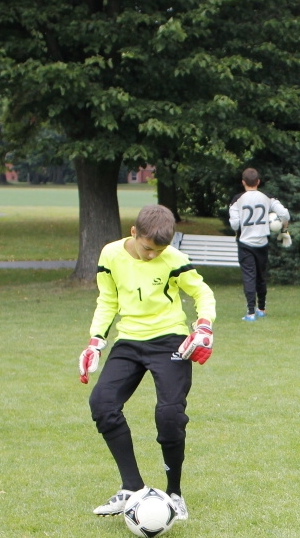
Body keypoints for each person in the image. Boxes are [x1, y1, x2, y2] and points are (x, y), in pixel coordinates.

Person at [78, 204, 217, 521]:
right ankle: (131, 488)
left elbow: (202, 293)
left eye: (160, 250)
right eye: (147, 248)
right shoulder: (110, 255)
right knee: (102, 404)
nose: (153, 256)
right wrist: (96, 342)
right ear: (133, 233)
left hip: (170, 340)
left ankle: (175, 495)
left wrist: (204, 325)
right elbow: (108, 299)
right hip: (128, 340)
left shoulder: (175, 260)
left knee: (169, 415)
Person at [229, 168, 289, 322]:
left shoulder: (237, 199)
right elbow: (285, 214)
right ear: (258, 182)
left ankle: (250, 312)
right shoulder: (267, 197)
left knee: (249, 276)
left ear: (243, 182)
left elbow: (235, 225)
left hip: (245, 242)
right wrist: (284, 229)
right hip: (262, 242)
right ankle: (261, 308)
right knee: (261, 276)